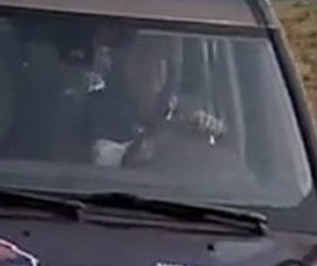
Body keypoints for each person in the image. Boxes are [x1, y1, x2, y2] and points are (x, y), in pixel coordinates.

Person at [77, 31, 226, 168]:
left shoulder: (187, 114)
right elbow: (103, 159)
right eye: (145, 55)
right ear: (124, 64)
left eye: (165, 57)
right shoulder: (97, 112)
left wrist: (212, 132)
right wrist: (163, 137)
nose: (156, 66)